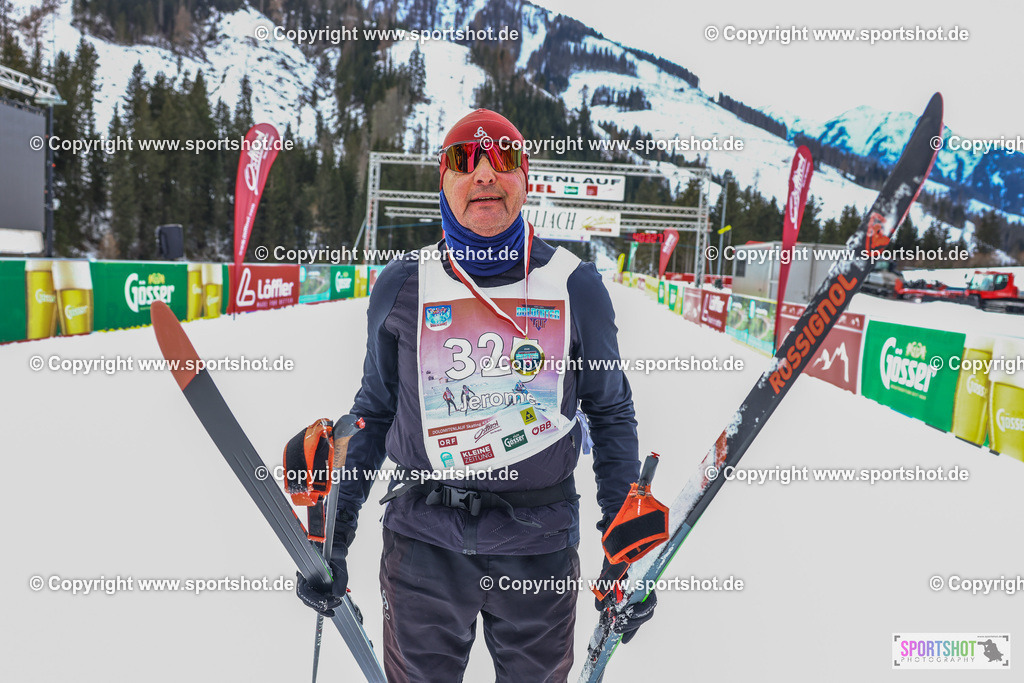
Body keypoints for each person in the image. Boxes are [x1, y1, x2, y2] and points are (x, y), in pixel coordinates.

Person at [296, 109, 656, 682]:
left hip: (538, 546)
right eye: (465, 160)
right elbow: (374, 412)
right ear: (444, 180)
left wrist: (624, 548)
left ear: (525, 179)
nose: (485, 174)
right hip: (422, 544)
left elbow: (610, 413)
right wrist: (332, 539)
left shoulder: (574, 285)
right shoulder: (403, 284)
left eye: (502, 159)